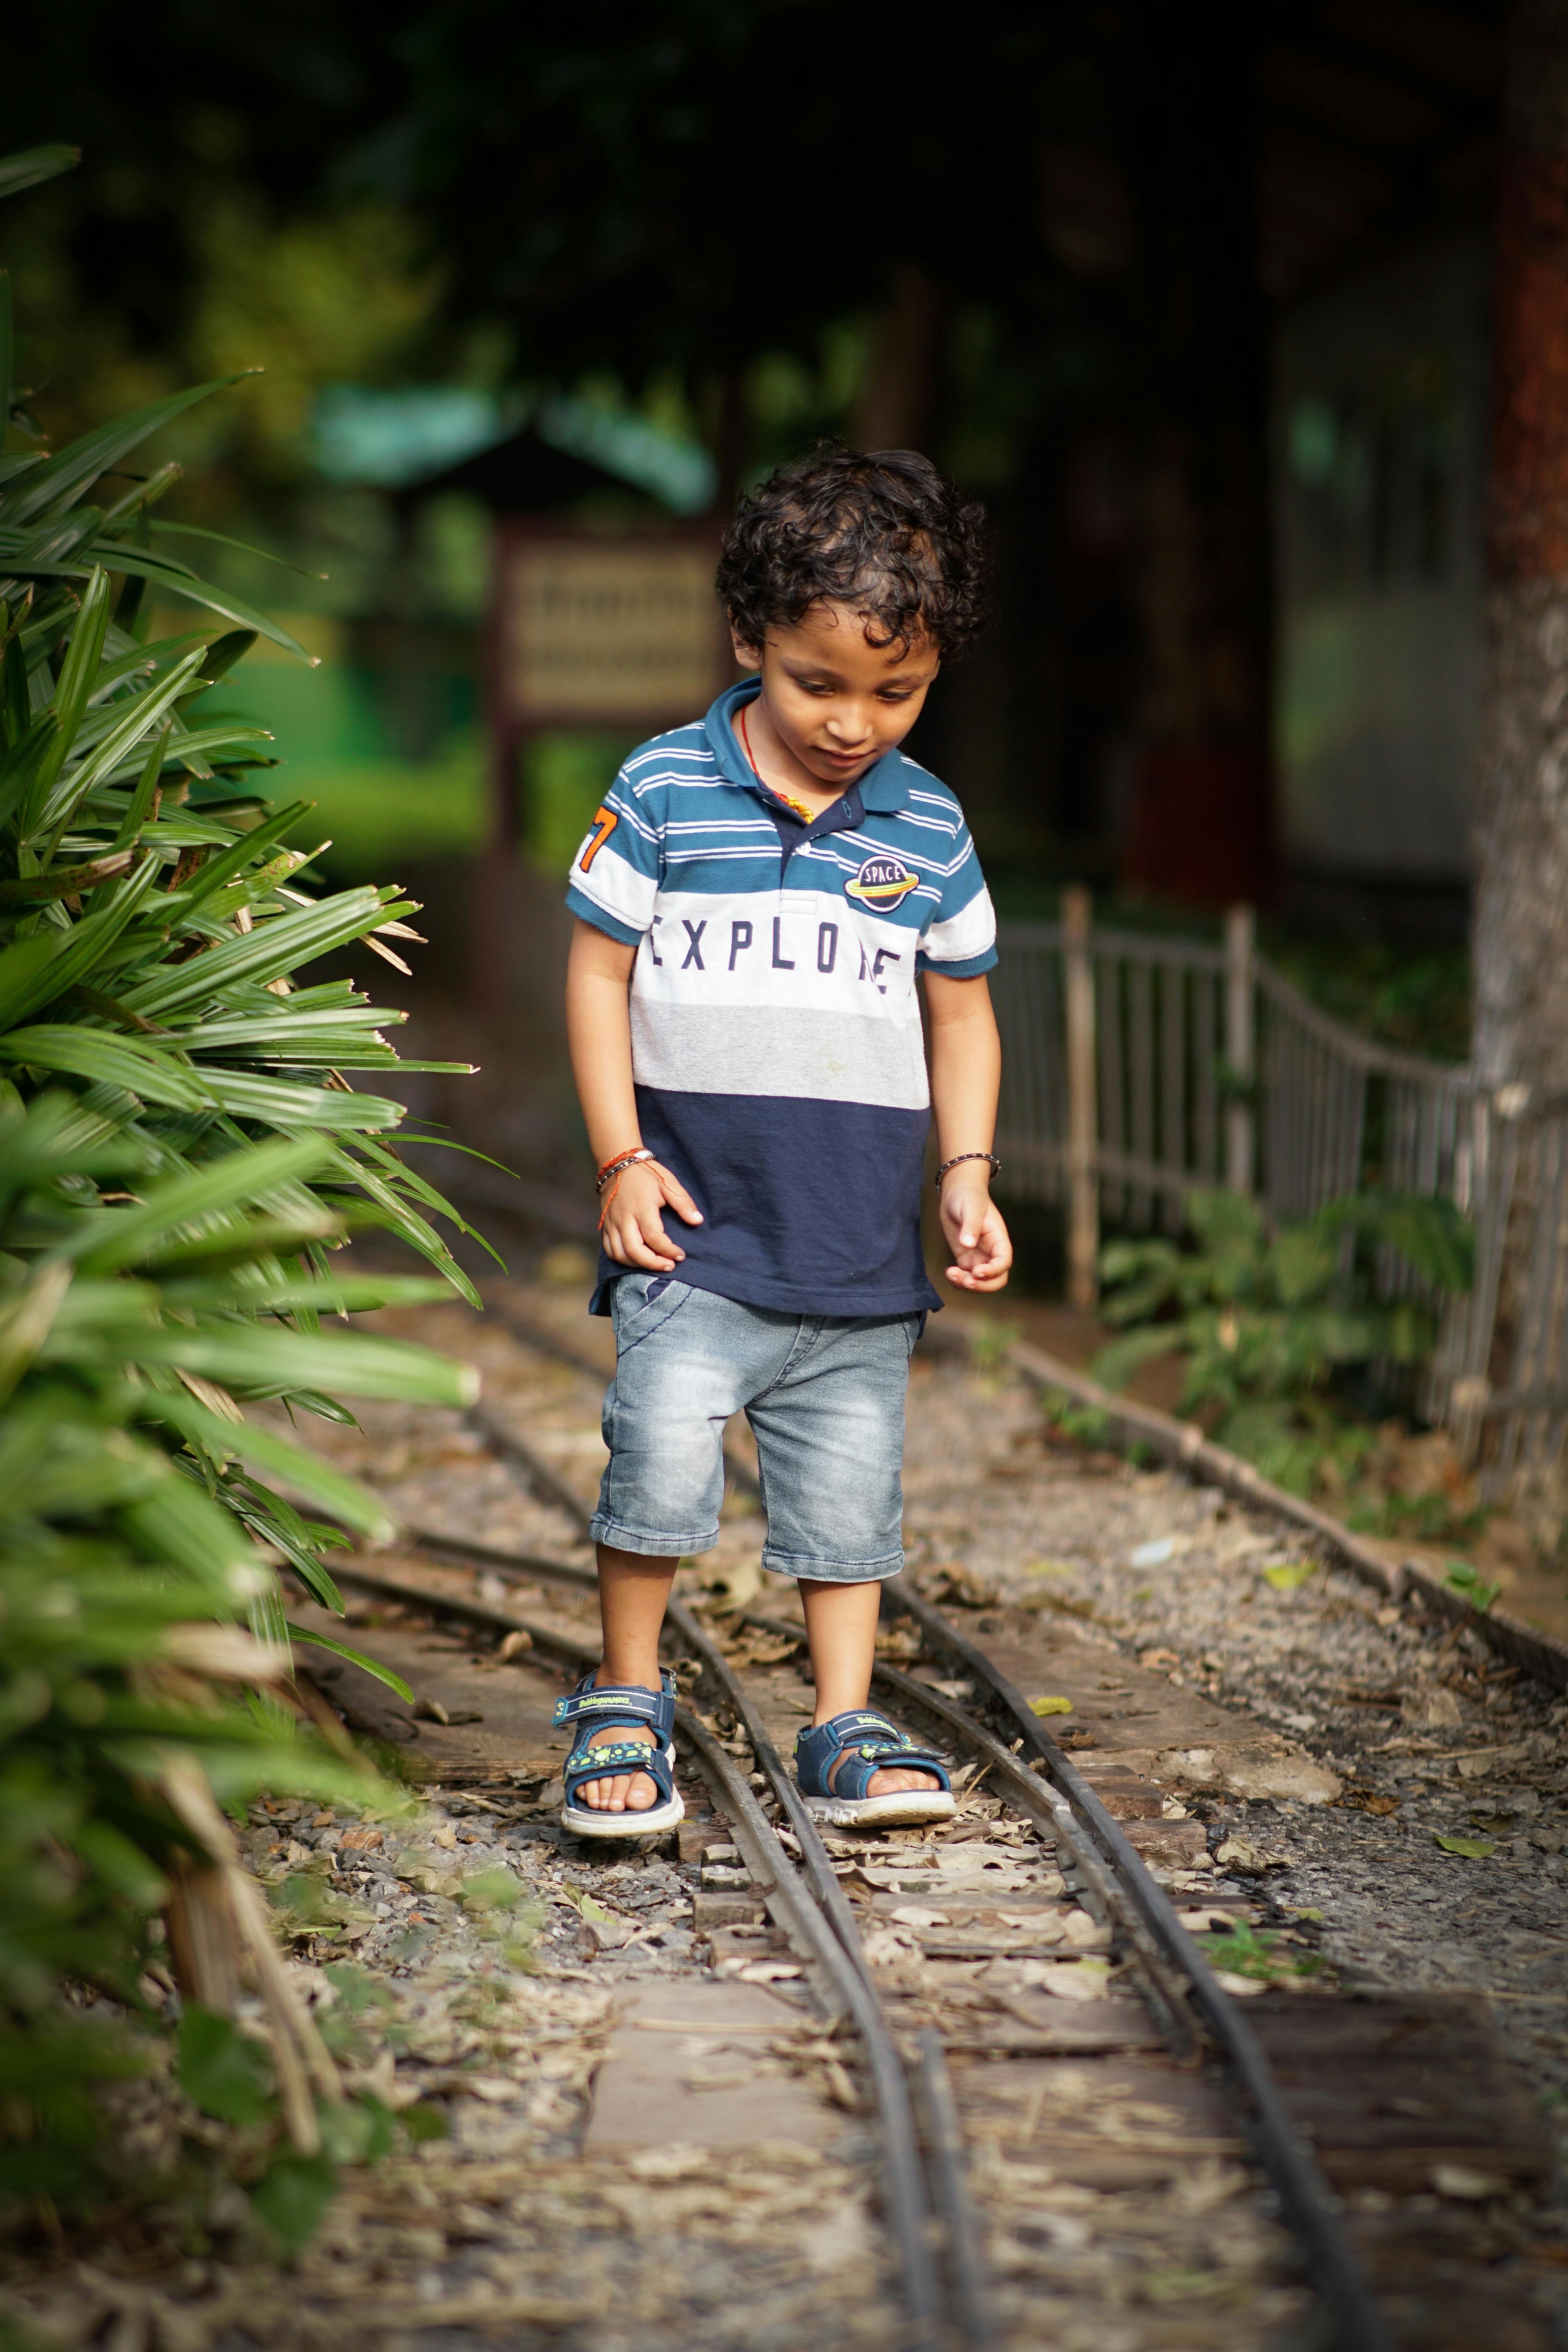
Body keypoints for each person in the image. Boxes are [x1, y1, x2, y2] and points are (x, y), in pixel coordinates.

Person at [556, 443, 1012, 1839]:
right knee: (661, 1462)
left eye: (898, 691)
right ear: (749, 638)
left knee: (846, 1502)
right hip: (693, 1233)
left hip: (857, 1244)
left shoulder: (929, 825)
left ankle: (841, 1722)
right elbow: (596, 979)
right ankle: (627, 1698)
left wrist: (969, 1172)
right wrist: (623, 1161)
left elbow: (965, 1020)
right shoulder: (661, 791)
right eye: (821, 683)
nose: (855, 721)